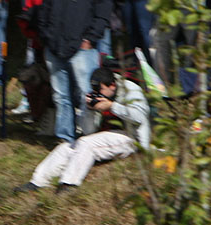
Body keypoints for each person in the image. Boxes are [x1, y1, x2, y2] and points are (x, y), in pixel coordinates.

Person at [15, 66, 150, 193]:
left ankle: (69, 183)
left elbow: (139, 117)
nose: (98, 94)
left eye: (100, 90)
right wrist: (89, 110)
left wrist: (111, 106)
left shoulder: (131, 90)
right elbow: (88, 131)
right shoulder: (98, 94)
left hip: (132, 138)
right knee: (65, 147)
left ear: (112, 85)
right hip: (108, 135)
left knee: (87, 144)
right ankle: (37, 182)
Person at [30, 0, 112, 144]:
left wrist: (90, 39)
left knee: (86, 95)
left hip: (83, 50)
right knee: (61, 96)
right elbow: (43, 15)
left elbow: (103, 14)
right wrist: (48, 40)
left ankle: (89, 138)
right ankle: (65, 139)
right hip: (55, 49)